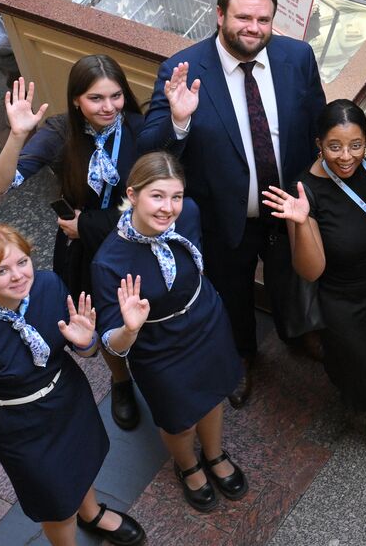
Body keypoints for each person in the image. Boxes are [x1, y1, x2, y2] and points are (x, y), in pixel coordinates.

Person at [138, 0, 326, 407]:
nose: (253, 28)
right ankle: (241, 355)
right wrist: (179, 121)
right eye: (243, 17)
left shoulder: (297, 57)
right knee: (232, 290)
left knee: (291, 277)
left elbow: (317, 122)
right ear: (220, 15)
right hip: (225, 217)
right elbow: (148, 151)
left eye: (263, 19)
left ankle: (298, 333)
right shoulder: (182, 71)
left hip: (287, 207)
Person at [0, 226, 145, 546]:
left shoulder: (49, 285)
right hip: (22, 428)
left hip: (68, 397)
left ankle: (91, 513)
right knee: (56, 504)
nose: (18, 276)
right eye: (1, 270)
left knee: (82, 464)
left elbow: (86, 348)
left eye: (22, 262)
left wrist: (86, 342)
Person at [0, 56, 145, 430]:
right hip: (84, 251)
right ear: (76, 100)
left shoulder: (140, 129)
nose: (108, 107)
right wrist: (17, 136)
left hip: (133, 239)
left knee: (143, 314)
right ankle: (121, 381)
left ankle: (154, 373)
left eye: (116, 96)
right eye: (95, 98)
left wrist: (89, 224)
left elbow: (154, 195)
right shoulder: (61, 133)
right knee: (103, 316)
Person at [261, 99, 366, 469]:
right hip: (344, 301)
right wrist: (300, 222)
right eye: (334, 146)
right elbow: (312, 271)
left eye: (355, 145)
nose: (346, 156)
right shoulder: (306, 192)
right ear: (319, 143)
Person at [91, 152, 246, 514]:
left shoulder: (189, 213)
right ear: (132, 195)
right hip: (159, 345)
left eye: (175, 196)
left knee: (213, 396)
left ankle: (214, 453)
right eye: (157, 196)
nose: (168, 208)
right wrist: (130, 328)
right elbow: (110, 340)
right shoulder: (108, 262)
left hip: (206, 321)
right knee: (179, 418)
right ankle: (188, 466)